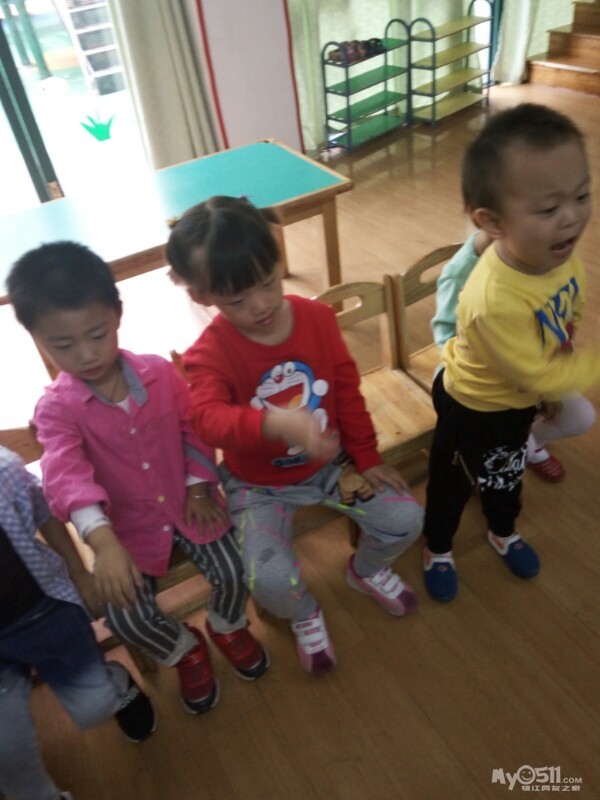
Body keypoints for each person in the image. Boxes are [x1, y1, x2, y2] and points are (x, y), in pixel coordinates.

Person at [7, 242, 269, 717]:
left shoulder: (160, 373)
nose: (87, 354)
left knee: (238, 567)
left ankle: (227, 624)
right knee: (124, 616)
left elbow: (193, 429)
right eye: (63, 346)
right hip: (125, 533)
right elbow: (64, 474)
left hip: (190, 506)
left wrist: (197, 486)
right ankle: (184, 649)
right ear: (36, 339)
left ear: (118, 315)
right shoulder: (56, 409)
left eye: (97, 334)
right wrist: (103, 542)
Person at [165, 196, 424, 676]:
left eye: (268, 283)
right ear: (202, 296)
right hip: (257, 486)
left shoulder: (317, 319)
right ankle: (304, 611)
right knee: (266, 580)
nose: (261, 305)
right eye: (237, 299)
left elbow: (346, 390)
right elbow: (206, 419)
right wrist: (273, 423)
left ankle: (365, 571)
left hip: (332, 466)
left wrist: (366, 456)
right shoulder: (209, 354)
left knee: (407, 519)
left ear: (278, 257)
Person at [422, 102, 600, 603]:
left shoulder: (561, 258)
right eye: (548, 209)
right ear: (491, 222)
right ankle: (437, 547)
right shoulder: (492, 299)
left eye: (582, 195)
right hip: (472, 407)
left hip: (516, 401)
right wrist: (558, 379)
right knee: (451, 484)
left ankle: (503, 531)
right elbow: (534, 371)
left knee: (505, 475)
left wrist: (560, 361)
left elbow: (567, 315)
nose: (572, 218)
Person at [0, 445, 156, 800]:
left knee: (94, 707)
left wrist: (78, 572)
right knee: (6, 747)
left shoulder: (5, 471)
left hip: (43, 614)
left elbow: (45, 512)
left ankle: (117, 684)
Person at [431, 229, 596, 482]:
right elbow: (445, 336)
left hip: (534, 374)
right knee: (500, 449)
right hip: (479, 388)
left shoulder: (540, 256)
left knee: (581, 417)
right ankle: (497, 462)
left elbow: (559, 322)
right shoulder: (466, 274)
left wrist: (548, 388)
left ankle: (530, 444)